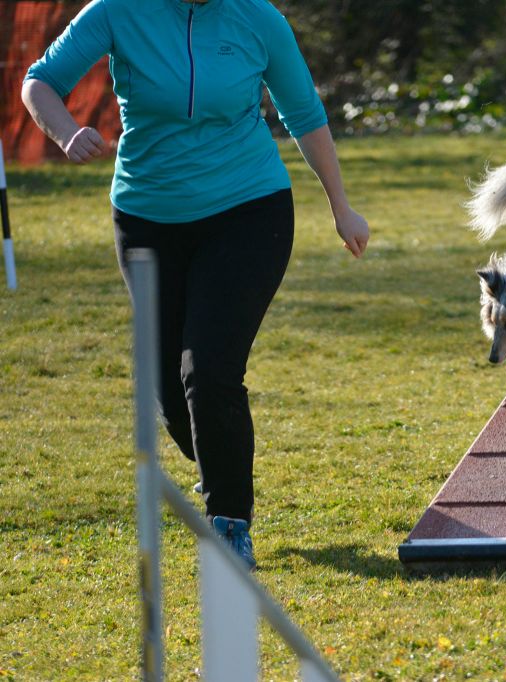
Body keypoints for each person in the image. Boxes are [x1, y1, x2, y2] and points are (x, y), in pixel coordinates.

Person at [22, 0, 369, 571]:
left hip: (248, 209)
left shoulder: (257, 18)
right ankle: (223, 449)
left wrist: (341, 207)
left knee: (207, 369)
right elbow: (40, 82)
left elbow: (304, 114)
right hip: (146, 217)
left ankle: (229, 524)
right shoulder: (115, 11)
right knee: (167, 384)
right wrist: (64, 132)